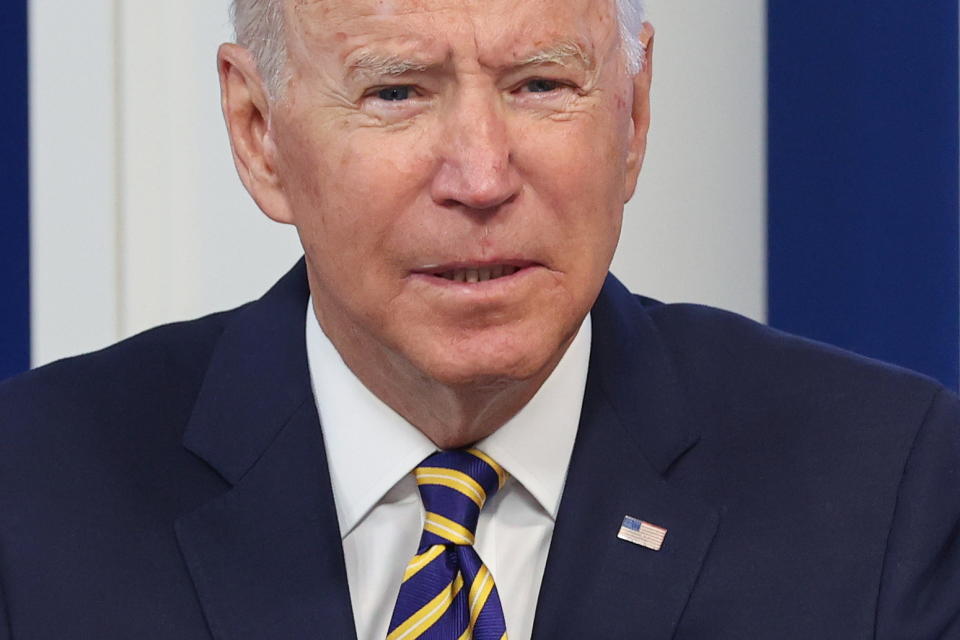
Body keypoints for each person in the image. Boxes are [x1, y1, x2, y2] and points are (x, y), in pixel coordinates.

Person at [1, 0, 958, 638]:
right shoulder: (32, 496)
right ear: (259, 136)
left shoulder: (888, 490)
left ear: (634, 110)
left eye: (541, 84)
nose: (483, 177)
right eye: (397, 92)